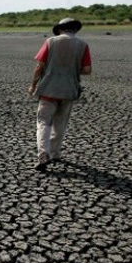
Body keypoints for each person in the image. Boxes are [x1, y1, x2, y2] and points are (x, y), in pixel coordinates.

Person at [28, 17, 92, 171]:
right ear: (75, 29)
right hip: (69, 90)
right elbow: (87, 70)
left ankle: (43, 155)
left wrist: (33, 85)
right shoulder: (83, 45)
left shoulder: (51, 42)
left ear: (60, 29)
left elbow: (39, 66)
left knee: (43, 123)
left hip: (49, 89)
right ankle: (55, 153)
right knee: (60, 124)